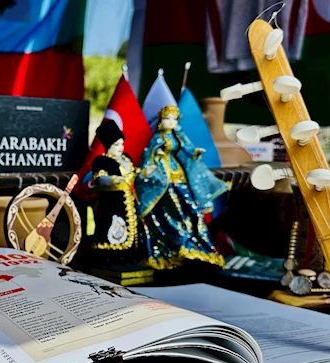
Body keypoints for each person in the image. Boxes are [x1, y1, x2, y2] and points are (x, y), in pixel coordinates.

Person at [135, 105, 227, 270]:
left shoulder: (178, 136)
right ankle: (181, 246)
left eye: (174, 119)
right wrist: (154, 161)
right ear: (160, 121)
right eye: (167, 119)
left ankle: (198, 246)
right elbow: (148, 158)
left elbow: (187, 149)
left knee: (192, 209)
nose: (171, 122)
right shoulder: (157, 139)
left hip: (179, 176)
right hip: (165, 180)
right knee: (175, 211)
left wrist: (195, 152)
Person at [88, 120, 143, 263]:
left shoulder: (126, 159)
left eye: (122, 144)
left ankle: (129, 256)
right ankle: (110, 256)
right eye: (116, 145)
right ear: (108, 145)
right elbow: (99, 178)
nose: (120, 148)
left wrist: (143, 173)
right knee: (113, 227)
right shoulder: (102, 161)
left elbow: (133, 174)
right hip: (112, 202)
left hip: (128, 199)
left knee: (131, 227)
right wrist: (113, 179)